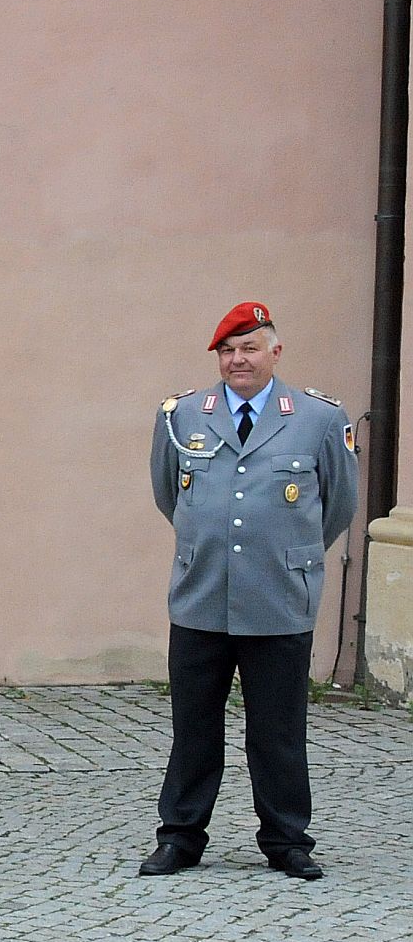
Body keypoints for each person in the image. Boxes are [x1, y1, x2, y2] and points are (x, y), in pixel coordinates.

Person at [141, 301, 359, 882]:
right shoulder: (182, 415)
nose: (238, 360)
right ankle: (181, 837)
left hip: (279, 598)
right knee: (193, 725)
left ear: (275, 353)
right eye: (228, 351)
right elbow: (171, 496)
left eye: (250, 348)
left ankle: (287, 840)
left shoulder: (316, 419)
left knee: (279, 729)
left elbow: (336, 506)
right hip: (201, 595)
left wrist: (286, 552)